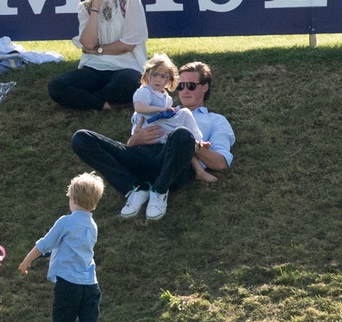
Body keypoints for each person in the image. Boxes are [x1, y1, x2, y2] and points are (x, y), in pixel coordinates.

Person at [71, 61, 235, 221]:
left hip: (171, 165)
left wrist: (194, 146)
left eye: (190, 86)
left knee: (182, 134)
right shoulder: (160, 109)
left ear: (204, 87)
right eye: (180, 86)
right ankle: (133, 189)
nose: (184, 91)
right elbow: (133, 139)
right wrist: (134, 140)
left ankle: (160, 190)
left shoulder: (216, 120)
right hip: (140, 158)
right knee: (82, 138)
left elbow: (221, 163)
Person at [18, 172, 107, 322]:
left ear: (73, 199)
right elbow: (76, 249)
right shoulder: (92, 225)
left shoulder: (65, 222)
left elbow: (44, 244)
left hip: (68, 283)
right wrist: (56, 255)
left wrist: (27, 260)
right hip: (90, 283)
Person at [47, 0, 149, 111]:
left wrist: (98, 50)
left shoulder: (130, 0)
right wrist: (95, 8)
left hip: (127, 67)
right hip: (95, 68)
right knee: (56, 86)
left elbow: (127, 45)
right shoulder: (85, 7)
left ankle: (88, 100)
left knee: (130, 82)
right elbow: (88, 44)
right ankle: (106, 105)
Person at [132, 54, 216, 184]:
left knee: (183, 120)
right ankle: (197, 144)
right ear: (147, 74)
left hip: (160, 124)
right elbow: (139, 108)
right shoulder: (145, 91)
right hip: (148, 127)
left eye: (163, 76)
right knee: (184, 118)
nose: (158, 79)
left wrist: (170, 111)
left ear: (169, 81)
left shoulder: (166, 97)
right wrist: (160, 109)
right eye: (155, 74)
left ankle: (198, 159)